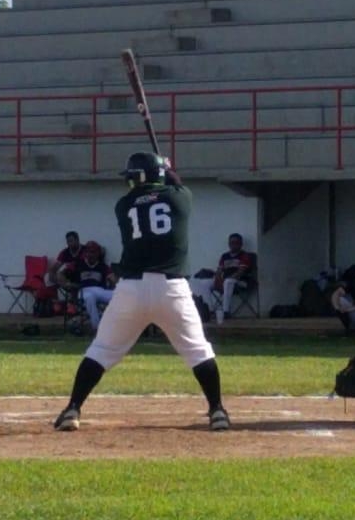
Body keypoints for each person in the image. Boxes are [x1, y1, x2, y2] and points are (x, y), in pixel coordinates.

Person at [54, 151, 229, 432]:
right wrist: (169, 169)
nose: (129, 183)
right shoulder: (179, 198)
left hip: (131, 290)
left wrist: (163, 172)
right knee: (198, 351)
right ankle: (217, 411)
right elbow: (177, 184)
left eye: (133, 178)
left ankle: (72, 409)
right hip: (172, 289)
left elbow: (155, 192)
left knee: (100, 350)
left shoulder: (123, 206)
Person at [62, 240, 115, 332]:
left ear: (98, 253)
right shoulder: (77, 264)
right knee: (90, 297)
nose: (90, 254)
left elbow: (112, 277)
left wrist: (114, 283)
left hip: (100, 290)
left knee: (118, 295)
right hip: (83, 290)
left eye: (93, 252)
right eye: (87, 252)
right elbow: (61, 273)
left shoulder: (103, 266)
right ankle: (97, 328)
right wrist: (66, 283)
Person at [211, 233, 256, 323]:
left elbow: (240, 272)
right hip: (227, 281)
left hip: (242, 281)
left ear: (240, 244)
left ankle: (225, 312)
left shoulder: (245, 255)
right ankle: (209, 310)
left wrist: (223, 280)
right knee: (203, 282)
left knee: (228, 281)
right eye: (231, 243)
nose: (233, 245)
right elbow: (219, 270)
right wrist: (217, 278)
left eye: (236, 243)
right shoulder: (224, 256)